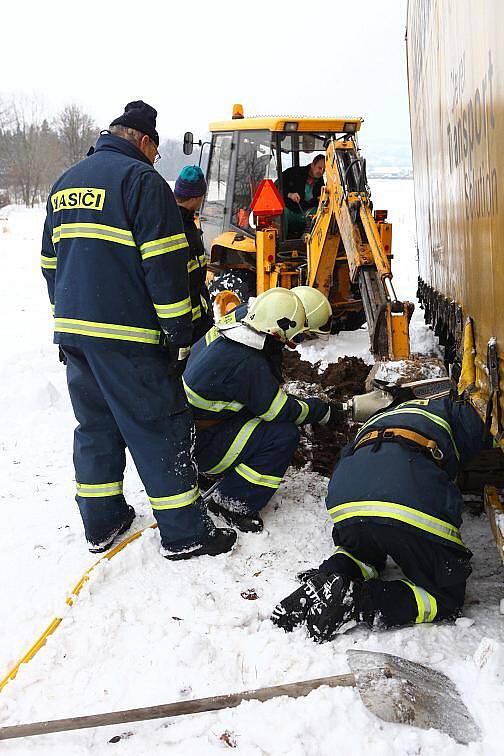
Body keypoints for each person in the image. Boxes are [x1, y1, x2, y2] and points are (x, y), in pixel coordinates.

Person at [41, 100, 235, 560]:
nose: (155, 159)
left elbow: (51, 264)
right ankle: (185, 533)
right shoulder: (142, 182)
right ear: (145, 141)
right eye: (155, 150)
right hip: (128, 338)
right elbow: (165, 267)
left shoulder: (65, 182)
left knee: (95, 428)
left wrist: (70, 319)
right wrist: (179, 334)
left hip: (75, 334)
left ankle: (101, 523)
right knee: (157, 427)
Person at [271, 383, 491, 640]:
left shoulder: (378, 418)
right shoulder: (451, 411)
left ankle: (330, 576)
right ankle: (359, 602)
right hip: (405, 496)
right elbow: (486, 426)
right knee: (445, 596)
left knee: (362, 552)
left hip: (347, 496)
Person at [183, 288, 343, 533]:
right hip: (197, 444)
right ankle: (233, 502)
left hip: (185, 430)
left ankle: (212, 474)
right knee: (282, 435)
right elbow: (276, 411)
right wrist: (320, 410)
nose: (297, 343)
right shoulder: (246, 360)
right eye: (299, 336)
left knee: (259, 415)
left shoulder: (244, 320)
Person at [174, 166, 214, 344]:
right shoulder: (182, 230)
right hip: (187, 327)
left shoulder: (186, 224)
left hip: (193, 323)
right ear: (197, 198)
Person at [281, 155, 325, 237]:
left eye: (324, 170)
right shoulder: (294, 173)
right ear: (312, 165)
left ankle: (311, 239)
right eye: (319, 168)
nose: (321, 172)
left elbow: (316, 200)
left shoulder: (320, 181)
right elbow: (277, 186)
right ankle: (283, 241)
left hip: (305, 212)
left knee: (322, 213)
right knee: (282, 213)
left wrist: (320, 199)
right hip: (290, 210)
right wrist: (289, 194)